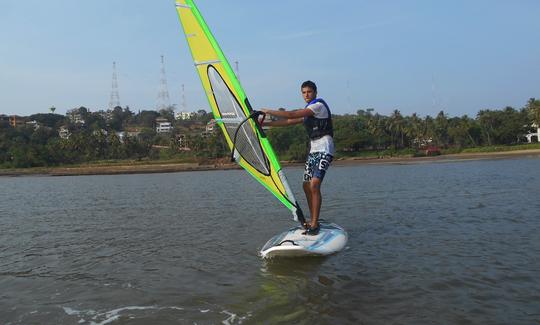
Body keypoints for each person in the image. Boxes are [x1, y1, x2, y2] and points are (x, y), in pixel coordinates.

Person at [261, 80, 334, 235]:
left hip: (325, 148)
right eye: (304, 92)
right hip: (314, 150)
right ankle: (312, 219)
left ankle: (314, 223)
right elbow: (289, 121)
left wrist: (268, 111)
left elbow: (291, 114)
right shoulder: (308, 111)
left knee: (314, 185)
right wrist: (266, 125)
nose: (306, 95)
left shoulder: (318, 106)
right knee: (306, 185)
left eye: (309, 92)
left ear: (315, 92)